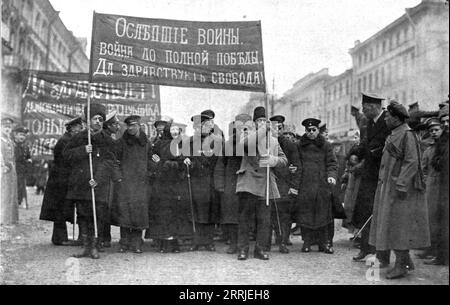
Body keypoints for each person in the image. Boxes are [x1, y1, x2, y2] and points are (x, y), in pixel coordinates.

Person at [369, 101, 430, 279]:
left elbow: (412, 162)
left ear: (396, 118)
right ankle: (405, 260)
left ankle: (401, 264)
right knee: (390, 224)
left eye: (388, 116)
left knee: (399, 227)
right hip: (388, 186)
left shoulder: (407, 134)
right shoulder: (395, 133)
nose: (385, 119)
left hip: (400, 189)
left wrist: (401, 184)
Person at [64, 103, 121, 259]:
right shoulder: (79, 138)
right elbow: (66, 155)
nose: (98, 122)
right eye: (95, 118)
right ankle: (86, 246)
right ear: (88, 120)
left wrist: (97, 179)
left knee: (98, 215)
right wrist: (83, 150)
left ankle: (95, 246)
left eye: (101, 119)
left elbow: (109, 161)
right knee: (83, 215)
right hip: (81, 184)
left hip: (98, 184)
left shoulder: (107, 140)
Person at [235, 106, 288, 260]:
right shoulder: (247, 134)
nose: (262, 122)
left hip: (266, 183)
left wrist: (274, 160)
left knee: (264, 219)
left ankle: (260, 248)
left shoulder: (273, 140)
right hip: (249, 180)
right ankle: (243, 249)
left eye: (264, 120)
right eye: (259, 120)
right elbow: (245, 145)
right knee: (245, 218)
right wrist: (262, 131)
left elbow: (284, 160)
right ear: (254, 122)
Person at [352, 93, 390, 262]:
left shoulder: (387, 122)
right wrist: (355, 154)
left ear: (374, 107)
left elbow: (387, 146)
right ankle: (366, 248)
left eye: (365, 108)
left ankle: (379, 252)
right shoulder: (370, 123)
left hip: (381, 174)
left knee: (379, 214)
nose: (363, 111)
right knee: (365, 210)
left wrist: (373, 152)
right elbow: (365, 143)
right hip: (369, 173)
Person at [148, 122, 192, 253]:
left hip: (178, 183)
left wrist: (185, 162)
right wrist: (164, 164)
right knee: (163, 213)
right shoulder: (159, 145)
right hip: (162, 184)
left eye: (176, 130)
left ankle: (175, 242)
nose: (174, 133)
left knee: (176, 213)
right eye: (172, 130)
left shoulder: (182, 145)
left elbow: (185, 160)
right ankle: (163, 242)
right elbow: (153, 160)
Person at [295, 118, 337, 254]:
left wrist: (331, 176)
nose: (311, 133)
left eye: (314, 130)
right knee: (305, 214)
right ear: (305, 131)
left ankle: (323, 243)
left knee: (323, 215)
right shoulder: (300, 145)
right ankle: (306, 243)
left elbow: (332, 163)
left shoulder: (325, 145)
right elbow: (296, 163)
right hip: (305, 184)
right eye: (308, 130)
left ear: (318, 130)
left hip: (321, 184)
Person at [40, 117, 84, 246]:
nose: (80, 129)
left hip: (62, 179)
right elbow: (66, 159)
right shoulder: (65, 141)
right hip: (60, 180)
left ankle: (60, 237)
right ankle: (59, 238)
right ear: (71, 128)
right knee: (59, 209)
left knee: (62, 209)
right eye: (78, 127)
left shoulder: (68, 139)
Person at [215, 114, 253, 254]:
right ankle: (233, 243)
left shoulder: (253, 143)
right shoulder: (228, 144)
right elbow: (220, 164)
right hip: (231, 182)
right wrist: (220, 184)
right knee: (230, 215)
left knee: (245, 214)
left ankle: (244, 243)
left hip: (248, 181)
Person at [115, 115, 151, 254]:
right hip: (125, 183)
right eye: (129, 125)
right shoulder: (121, 143)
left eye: (134, 125)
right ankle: (124, 242)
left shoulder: (146, 143)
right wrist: (118, 177)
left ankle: (137, 242)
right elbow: (114, 162)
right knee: (124, 213)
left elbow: (153, 159)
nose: (131, 128)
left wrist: (151, 171)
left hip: (141, 183)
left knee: (139, 213)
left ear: (139, 126)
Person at [184, 112, 219, 251]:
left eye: (203, 126)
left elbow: (217, 160)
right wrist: (186, 161)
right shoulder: (190, 142)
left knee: (210, 211)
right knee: (196, 211)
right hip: (195, 180)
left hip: (210, 180)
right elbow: (185, 156)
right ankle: (197, 240)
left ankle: (209, 241)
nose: (199, 129)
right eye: (197, 126)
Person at [268, 115, 300, 253]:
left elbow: (297, 166)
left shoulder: (289, 145)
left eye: (280, 128)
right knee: (269, 215)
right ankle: (267, 242)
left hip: (284, 185)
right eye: (274, 128)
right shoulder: (265, 143)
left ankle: (283, 241)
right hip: (269, 183)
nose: (277, 131)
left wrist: (294, 186)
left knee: (284, 216)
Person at [424, 105, 449, 266]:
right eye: (444, 121)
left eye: (448, 121)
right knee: (439, 220)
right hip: (441, 185)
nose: (446, 124)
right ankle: (440, 255)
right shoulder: (443, 141)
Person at [420, 118, 444, 261]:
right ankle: (430, 248)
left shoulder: (443, 148)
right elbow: (423, 169)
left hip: (442, 186)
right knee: (429, 218)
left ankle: (437, 251)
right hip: (430, 186)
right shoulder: (428, 150)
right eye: (431, 131)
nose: (434, 133)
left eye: (436, 130)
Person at [100, 111, 121, 248]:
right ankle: (104, 237)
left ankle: (104, 237)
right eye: (115, 124)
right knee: (104, 206)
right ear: (108, 126)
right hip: (106, 177)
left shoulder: (109, 138)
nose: (118, 126)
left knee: (106, 206)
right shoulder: (107, 140)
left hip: (107, 176)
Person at [1, 117, 18, 225]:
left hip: (12, 168)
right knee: (3, 193)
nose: (7, 129)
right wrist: (3, 166)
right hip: (3, 168)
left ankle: (10, 218)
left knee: (11, 192)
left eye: (9, 127)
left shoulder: (10, 141)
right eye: (5, 127)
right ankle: (2, 218)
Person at [13, 126, 31, 207]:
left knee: (21, 186)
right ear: (15, 135)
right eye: (20, 135)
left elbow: (27, 156)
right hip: (13, 170)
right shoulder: (12, 145)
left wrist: (29, 160)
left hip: (22, 170)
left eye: (24, 135)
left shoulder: (25, 147)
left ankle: (19, 201)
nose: (22, 137)